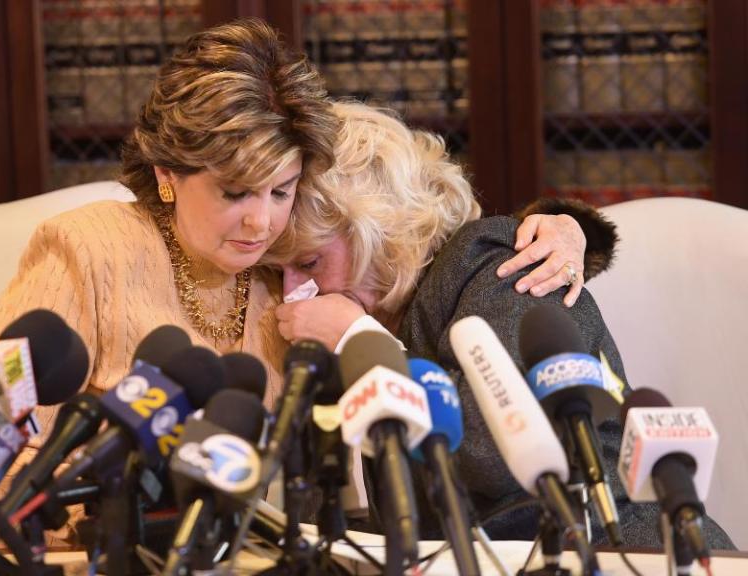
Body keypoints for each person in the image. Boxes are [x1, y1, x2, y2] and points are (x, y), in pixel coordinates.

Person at [0, 20, 594, 543]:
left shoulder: (285, 280)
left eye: (281, 191)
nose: (262, 222)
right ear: (168, 174)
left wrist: (566, 225)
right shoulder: (85, 246)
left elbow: (429, 253)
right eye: (234, 192)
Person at [266, 101, 734, 548]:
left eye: (309, 261)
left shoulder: (496, 260)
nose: (295, 291)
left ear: (375, 228)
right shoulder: (399, 318)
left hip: (628, 554)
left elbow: (496, 452)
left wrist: (357, 340)